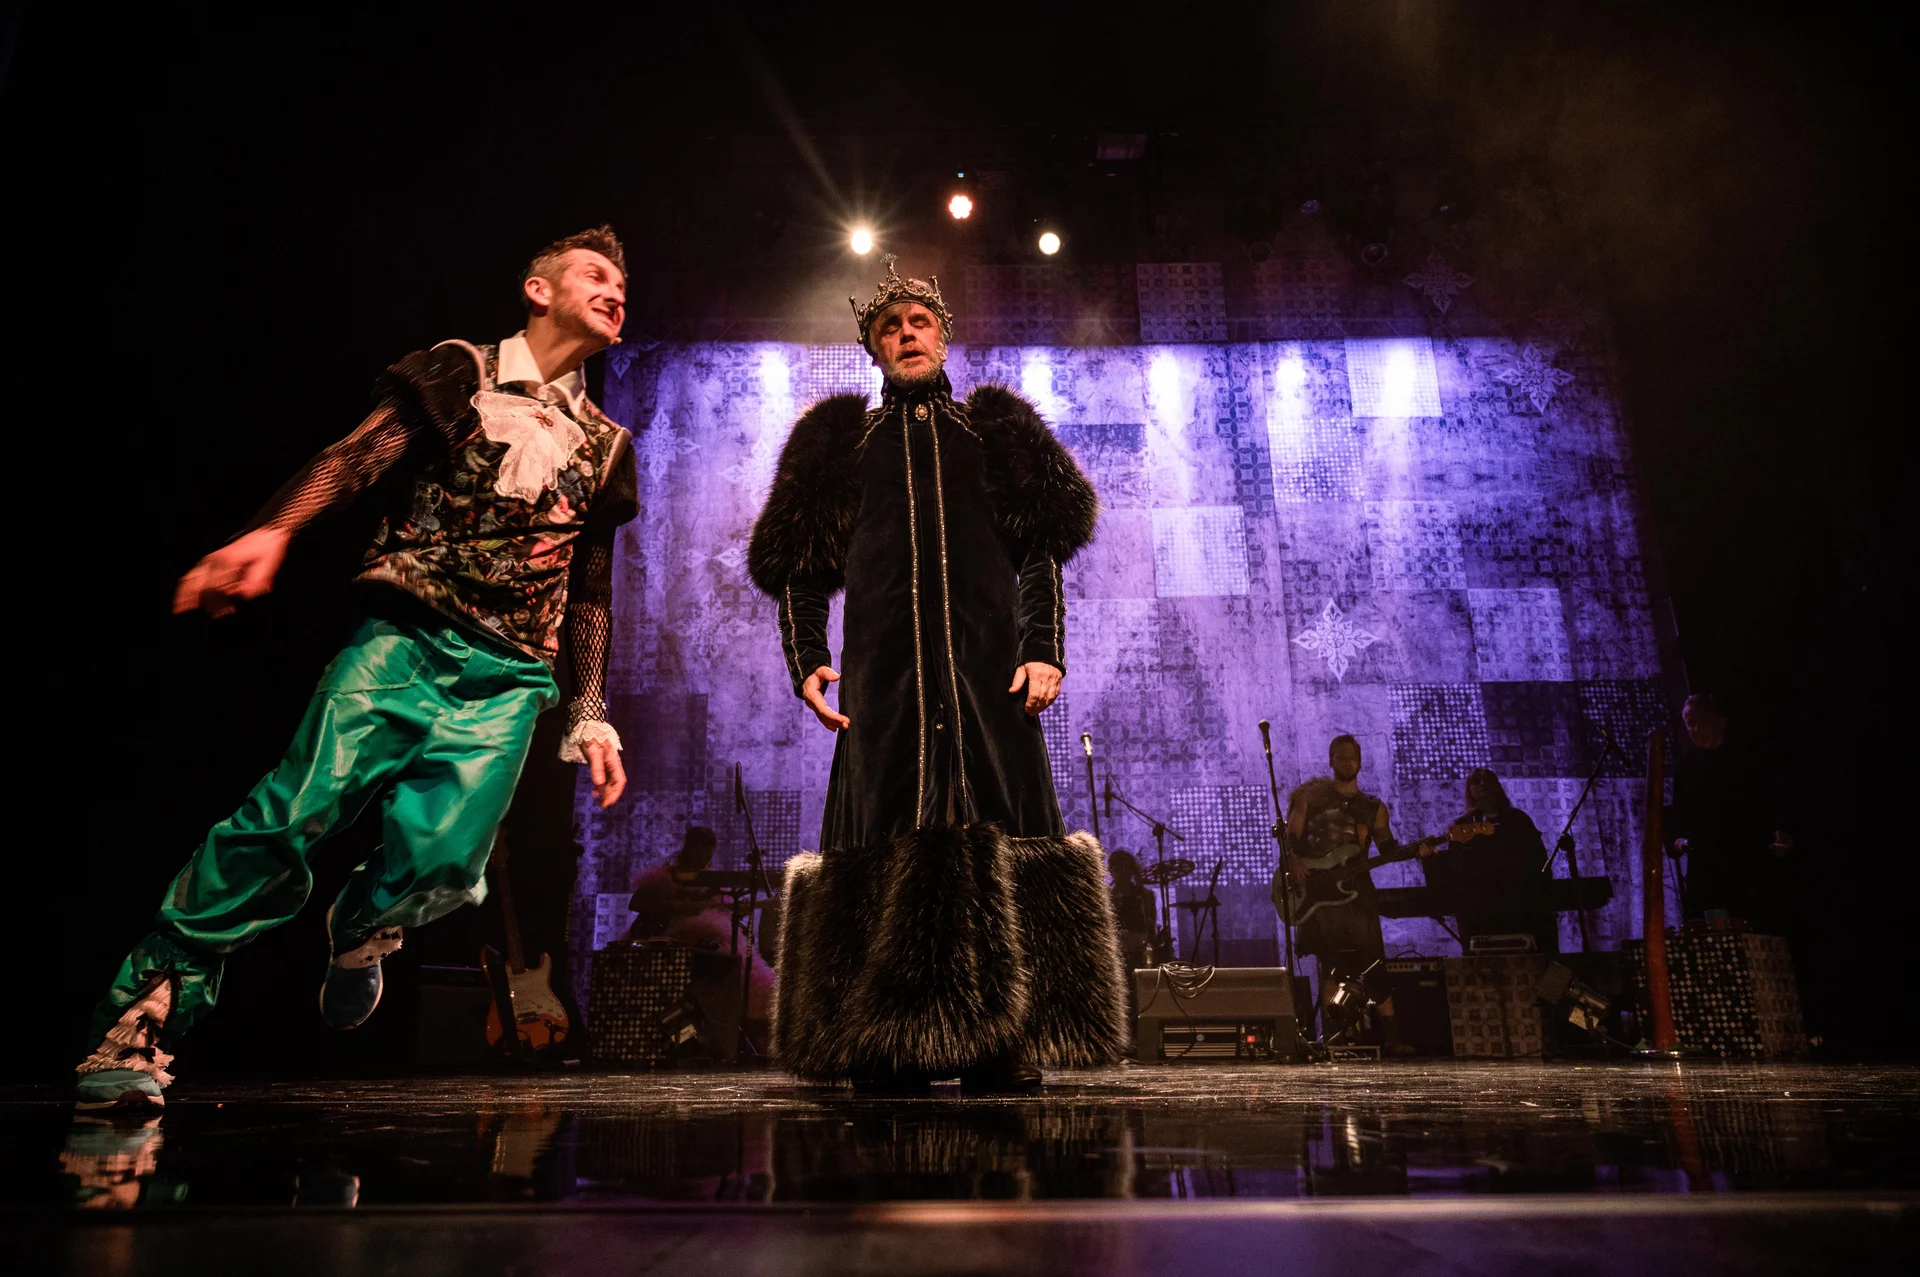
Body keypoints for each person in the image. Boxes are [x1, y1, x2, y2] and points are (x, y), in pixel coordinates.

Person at [76, 228, 640, 1113]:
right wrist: (272, 531)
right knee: (288, 815)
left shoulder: (606, 443)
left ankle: (366, 920)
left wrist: (590, 708)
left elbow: (592, 587)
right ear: (538, 289)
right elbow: (355, 457)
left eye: (622, 284)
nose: (614, 290)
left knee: (448, 863)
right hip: (402, 638)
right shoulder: (462, 370)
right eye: (594, 274)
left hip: (507, 676)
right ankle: (146, 1011)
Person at [747, 257, 1125, 1092]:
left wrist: (1042, 647)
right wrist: (807, 658)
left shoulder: (993, 433)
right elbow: (799, 569)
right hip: (886, 685)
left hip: (989, 677)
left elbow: (1040, 553)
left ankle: (1007, 1036)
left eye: (919, 321)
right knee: (885, 831)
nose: (907, 333)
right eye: (890, 326)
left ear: (944, 335)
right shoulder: (842, 444)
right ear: (873, 349)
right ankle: (881, 1037)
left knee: (1002, 824)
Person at [1274, 735, 1417, 1045]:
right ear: (1331, 761)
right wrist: (1293, 859)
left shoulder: (1372, 807)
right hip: (1318, 894)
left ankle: (1392, 1038)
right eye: (1341, 757)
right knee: (1330, 963)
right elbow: (1290, 836)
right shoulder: (1309, 797)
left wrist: (1418, 850)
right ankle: (1334, 1037)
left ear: (1360, 762)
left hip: (1357, 893)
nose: (1347, 762)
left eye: (1352, 757)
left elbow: (1388, 848)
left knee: (1373, 961)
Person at [1667, 694, 1793, 923]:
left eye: (1702, 721)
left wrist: (1779, 833)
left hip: (1748, 866)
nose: (1696, 729)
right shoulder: (1686, 769)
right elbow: (1678, 818)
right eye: (1690, 723)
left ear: (1721, 722)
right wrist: (1679, 842)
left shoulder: (1749, 761)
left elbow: (1771, 804)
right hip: (1706, 870)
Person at [1421, 767, 1558, 953]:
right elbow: (1456, 868)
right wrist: (1430, 859)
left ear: (1497, 786)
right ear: (1469, 790)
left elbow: (1539, 861)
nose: (1482, 784)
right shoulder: (1462, 824)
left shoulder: (1519, 819)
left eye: (1487, 780)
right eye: (1476, 781)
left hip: (1520, 905)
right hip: (1480, 910)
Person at [1107, 851, 1158, 972]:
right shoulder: (1106, 896)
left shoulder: (1145, 896)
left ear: (1132, 870)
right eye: (1118, 868)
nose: (1122, 872)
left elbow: (1150, 928)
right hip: (1114, 952)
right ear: (1111, 870)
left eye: (1126, 868)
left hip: (1139, 952)